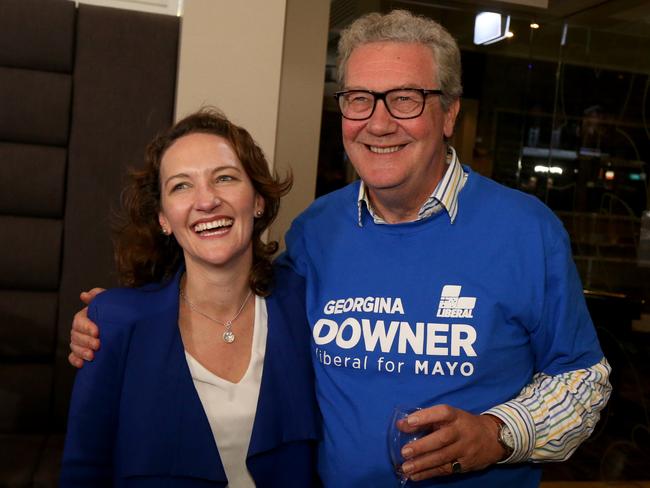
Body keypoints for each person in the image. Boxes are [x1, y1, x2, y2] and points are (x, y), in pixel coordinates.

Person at [68, 10, 611, 488]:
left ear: (448, 114)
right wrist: (118, 322)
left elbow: (583, 381)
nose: (378, 122)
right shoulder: (315, 232)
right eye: (358, 99)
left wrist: (499, 433)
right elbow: (231, 285)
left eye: (404, 99)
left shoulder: (526, 231)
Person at [60, 109, 320, 487]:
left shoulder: (307, 306)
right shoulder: (113, 323)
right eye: (181, 186)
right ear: (164, 218)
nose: (207, 201)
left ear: (258, 199)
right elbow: (84, 472)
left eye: (225, 178)